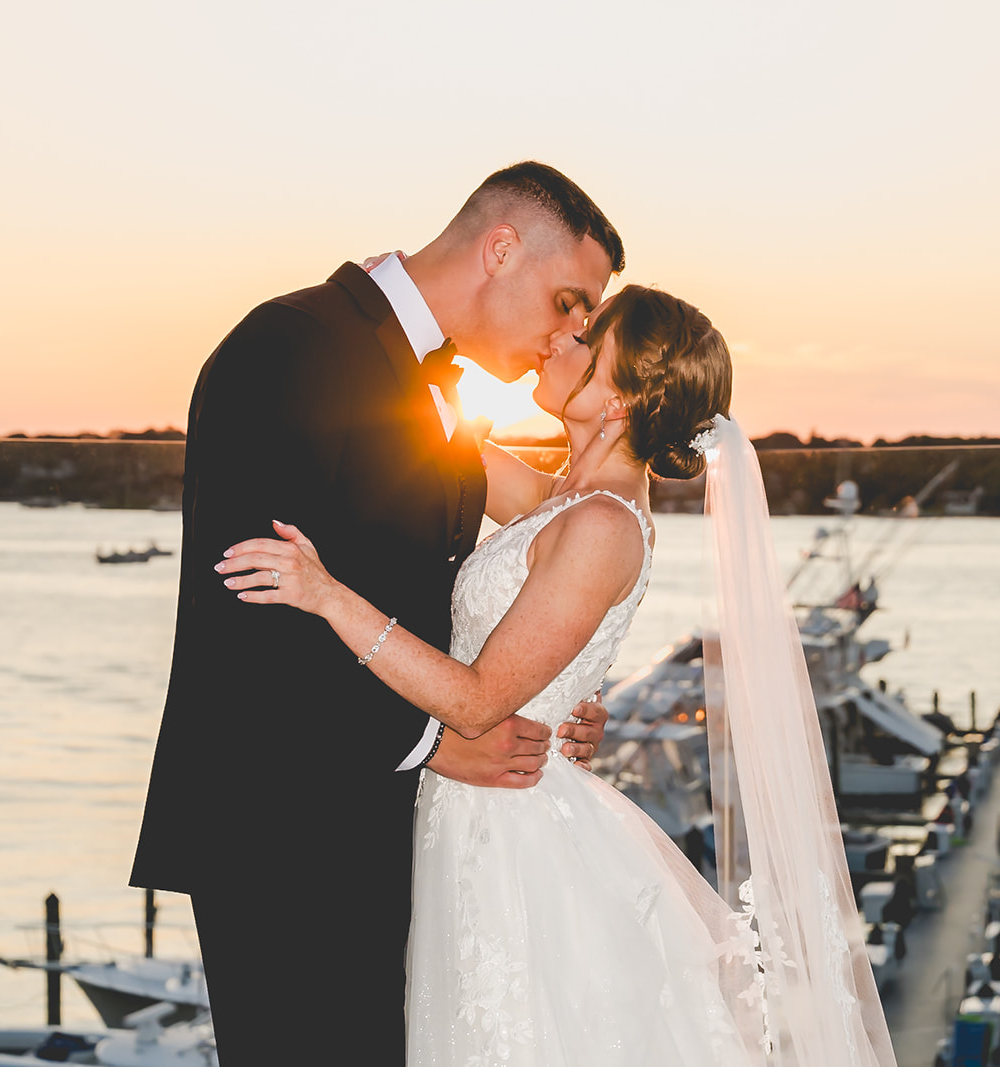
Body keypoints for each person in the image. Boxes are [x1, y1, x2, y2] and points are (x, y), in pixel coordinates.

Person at [221, 286, 899, 1064]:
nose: (558, 338)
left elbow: (477, 702)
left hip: (510, 832)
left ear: (617, 397)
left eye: (586, 337)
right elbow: (442, 441)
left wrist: (325, 594)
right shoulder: (561, 497)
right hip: (474, 810)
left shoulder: (604, 525)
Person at [129, 162, 622, 1065]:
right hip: (281, 830)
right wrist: (436, 740)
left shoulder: (439, 390)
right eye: (566, 302)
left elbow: (493, 572)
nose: (567, 335)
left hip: (392, 825)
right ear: (500, 249)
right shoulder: (290, 343)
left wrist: (552, 701)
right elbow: (253, 602)